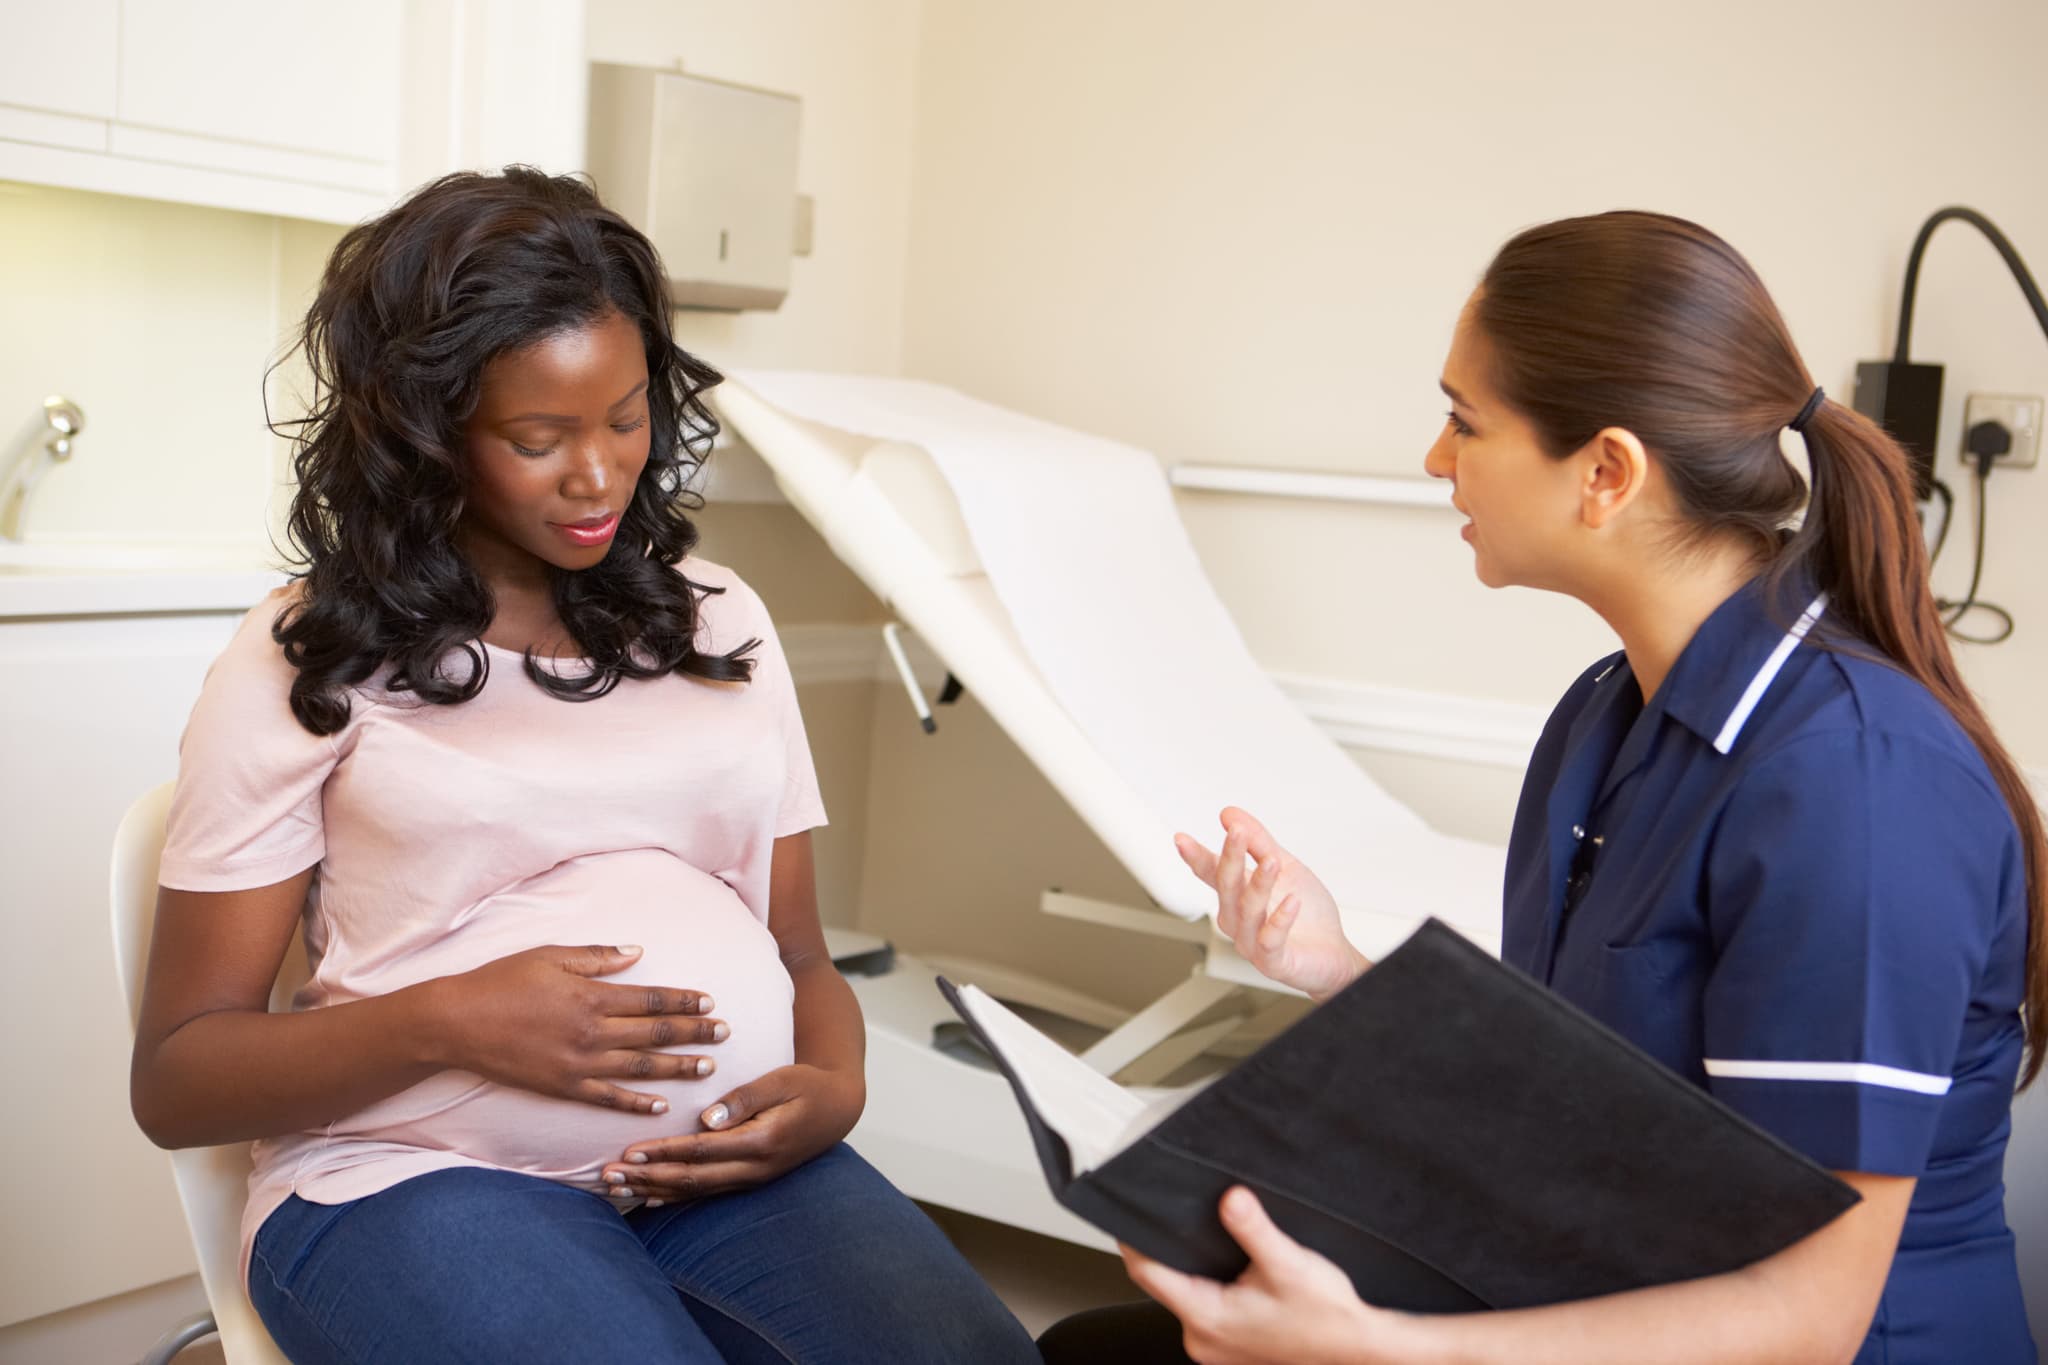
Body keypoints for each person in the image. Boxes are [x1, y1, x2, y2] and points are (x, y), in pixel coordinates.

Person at [1040, 211, 2041, 1364]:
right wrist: (1331, 967)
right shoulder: (1604, 717)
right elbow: (1568, 1107)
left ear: (1605, 473)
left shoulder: (1854, 787)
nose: (1433, 458)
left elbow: (1808, 1318)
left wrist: (1372, 1350)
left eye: (1464, 421)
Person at [127, 167, 1038, 1365]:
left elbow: (800, 950)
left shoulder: (721, 624)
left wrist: (837, 1076)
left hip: (725, 1174)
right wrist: (450, 1023)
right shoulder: (311, 655)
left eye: (623, 418)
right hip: (409, 1179)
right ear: (423, 431)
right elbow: (180, 1078)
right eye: (536, 437)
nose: (599, 475)